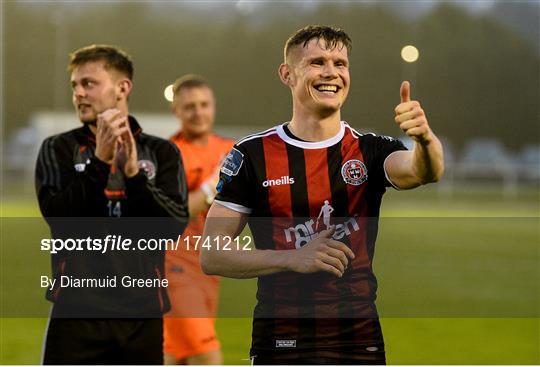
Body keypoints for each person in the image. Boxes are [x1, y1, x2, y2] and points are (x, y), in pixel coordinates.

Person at [201, 25, 444, 365]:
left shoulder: (370, 150)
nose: (331, 72)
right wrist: (291, 258)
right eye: (317, 62)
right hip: (281, 342)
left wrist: (425, 139)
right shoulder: (252, 155)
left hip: (359, 341)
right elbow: (212, 254)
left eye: (340, 63)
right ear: (287, 74)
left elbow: (423, 171)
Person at [35, 44, 188, 364]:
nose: (78, 93)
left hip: (141, 315)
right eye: (74, 85)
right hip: (75, 313)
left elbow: (173, 226)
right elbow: (60, 219)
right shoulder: (58, 148)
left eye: (88, 83)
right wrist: (101, 163)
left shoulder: (161, 153)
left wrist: (134, 176)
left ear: (122, 88)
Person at [164, 75, 234, 365]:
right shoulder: (167, 154)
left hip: (209, 269)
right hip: (173, 267)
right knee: (207, 356)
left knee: (174, 356)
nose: (198, 112)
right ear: (176, 111)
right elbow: (175, 214)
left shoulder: (231, 149)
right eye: (189, 106)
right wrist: (212, 184)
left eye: (204, 104)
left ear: (213, 106)